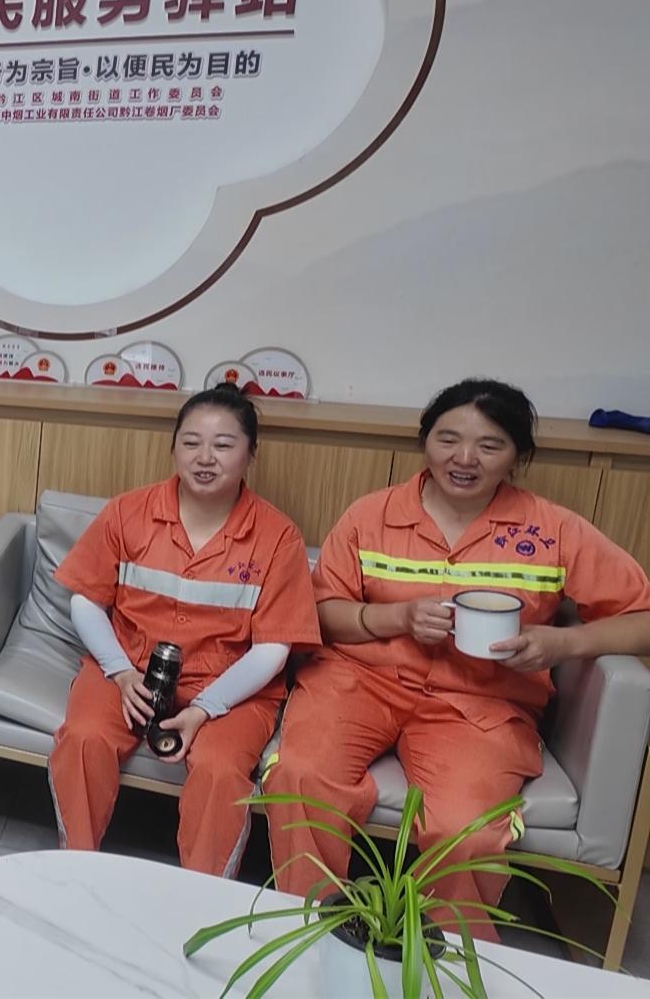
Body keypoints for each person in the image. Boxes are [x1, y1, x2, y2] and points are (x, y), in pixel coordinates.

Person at [264, 379, 650, 936]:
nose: (464, 458)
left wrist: (560, 643)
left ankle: (441, 957)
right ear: (425, 441)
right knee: (302, 776)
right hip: (359, 682)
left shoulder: (554, 530)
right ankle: (308, 932)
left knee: (464, 827)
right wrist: (397, 618)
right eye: (447, 439)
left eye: (490, 445)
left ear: (518, 456)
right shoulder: (372, 515)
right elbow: (322, 612)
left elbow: (642, 619)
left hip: (481, 703)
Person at [50, 384, 320, 877]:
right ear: (173, 447)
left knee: (220, 770)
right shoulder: (127, 512)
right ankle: (74, 873)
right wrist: (120, 673)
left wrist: (204, 709)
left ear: (251, 453)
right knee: (84, 738)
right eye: (191, 442)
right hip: (128, 666)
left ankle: (203, 897)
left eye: (223, 445)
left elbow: (273, 648)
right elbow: (85, 600)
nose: (205, 458)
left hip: (231, 686)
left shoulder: (278, 537)